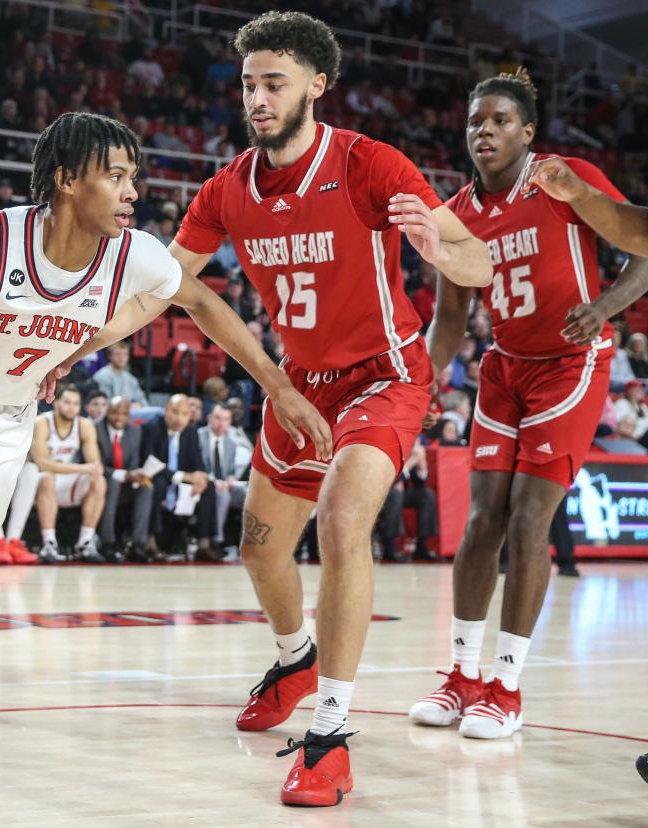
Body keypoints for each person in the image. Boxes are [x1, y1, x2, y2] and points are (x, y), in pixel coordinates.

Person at [0, 112, 327, 743]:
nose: (134, 191)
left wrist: (278, 386)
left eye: (134, 177)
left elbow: (204, 303)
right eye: (116, 175)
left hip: (9, 421)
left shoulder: (134, 256)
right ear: (67, 179)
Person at [118, 12, 490, 806]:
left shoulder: (367, 163)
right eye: (249, 83)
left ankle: (330, 733)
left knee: (343, 517)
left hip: (384, 375)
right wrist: (69, 345)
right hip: (299, 382)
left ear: (317, 85)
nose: (257, 97)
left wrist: (438, 246)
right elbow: (165, 286)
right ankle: (295, 661)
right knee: (258, 549)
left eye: (274, 82)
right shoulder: (226, 188)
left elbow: (478, 257)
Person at [413, 70, 648, 742]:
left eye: (499, 121)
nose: (484, 132)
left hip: (571, 365)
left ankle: (506, 687)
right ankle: (462, 676)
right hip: (503, 368)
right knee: (480, 522)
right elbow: (449, 319)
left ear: (528, 132)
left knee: (529, 520)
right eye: (475, 122)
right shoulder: (457, 214)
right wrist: (426, 381)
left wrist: (607, 306)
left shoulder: (564, 177)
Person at [31, 384, 108, 563]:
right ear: (56, 402)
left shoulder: (85, 425)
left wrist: (84, 469)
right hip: (40, 486)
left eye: (75, 403)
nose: (71, 407)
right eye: (66, 402)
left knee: (99, 480)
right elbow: (42, 464)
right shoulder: (42, 422)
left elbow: (95, 465)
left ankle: (86, 542)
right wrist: (81, 468)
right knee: (47, 478)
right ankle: (48, 543)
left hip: (69, 484)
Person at [138, 393, 219, 560]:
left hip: (180, 481)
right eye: (175, 412)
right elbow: (149, 462)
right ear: (166, 410)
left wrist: (201, 479)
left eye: (184, 414)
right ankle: (150, 542)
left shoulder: (191, 432)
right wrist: (183, 477)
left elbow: (197, 461)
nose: (179, 418)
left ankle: (204, 544)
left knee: (209, 487)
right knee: (157, 484)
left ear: (190, 416)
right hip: (159, 477)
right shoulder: (151, 427)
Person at [95, 395, 151, 560]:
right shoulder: (95, 428)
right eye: (115, 413)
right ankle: (108, 543)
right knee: (112, 483)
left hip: (125, 482)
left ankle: (138, 544)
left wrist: (136, 475)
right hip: (102, 480)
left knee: (146, 487)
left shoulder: (135, 431)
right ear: (107, 411)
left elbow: (133, 464)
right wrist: (125, 475)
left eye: (124, 414)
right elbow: (96, 465)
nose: (119, 418)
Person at [201, 402, 248, 554]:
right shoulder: (198, 436)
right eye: (218, 418)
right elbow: (196, 465)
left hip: (226, 485)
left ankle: (249, 542)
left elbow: (231, 470)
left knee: (251, 496)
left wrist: (231, 477)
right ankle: (217, 540)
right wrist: (214, 480)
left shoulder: (231, 443)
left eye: (226, 419)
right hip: (206, 483)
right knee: (223, 496)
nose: (221, 423)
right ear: (209, 418)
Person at [377, 440, 436, 562]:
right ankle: (389, 547)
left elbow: (419, 485)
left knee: (427, 495)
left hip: (403, 494)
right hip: (384, 493)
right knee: (395, 494)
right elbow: (392, 480)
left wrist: (422, 467)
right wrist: (412, 461)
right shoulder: (391, 445)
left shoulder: (413, 449)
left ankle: (422, 545)